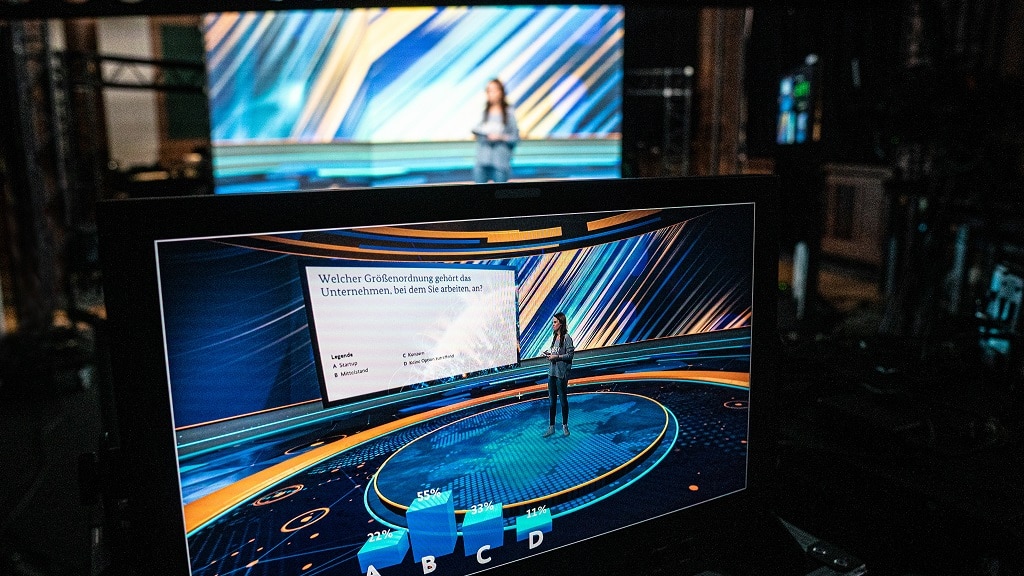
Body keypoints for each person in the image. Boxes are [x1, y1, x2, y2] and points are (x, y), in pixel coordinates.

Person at [472, 79, 519, 183]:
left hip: (500, 163)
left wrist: (500, 137)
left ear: (501, 92)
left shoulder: (509, 113)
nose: (491, 94)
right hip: (482, 161)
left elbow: (515, 138)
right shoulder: (484, 113)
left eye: (494, 90)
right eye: (488, 91)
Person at [542, 312, 574, 437]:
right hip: (551, 373)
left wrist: (557, 357)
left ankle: (565, 426)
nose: (553, 325)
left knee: (563, 401)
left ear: (561, 323)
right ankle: (551, 427)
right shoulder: (554, 337)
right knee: (552, 402)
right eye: (553, 322)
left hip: (561, 375)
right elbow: (554, 353)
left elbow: (570, 355)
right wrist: (549, 356)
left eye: (555, 322)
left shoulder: (567, 338)